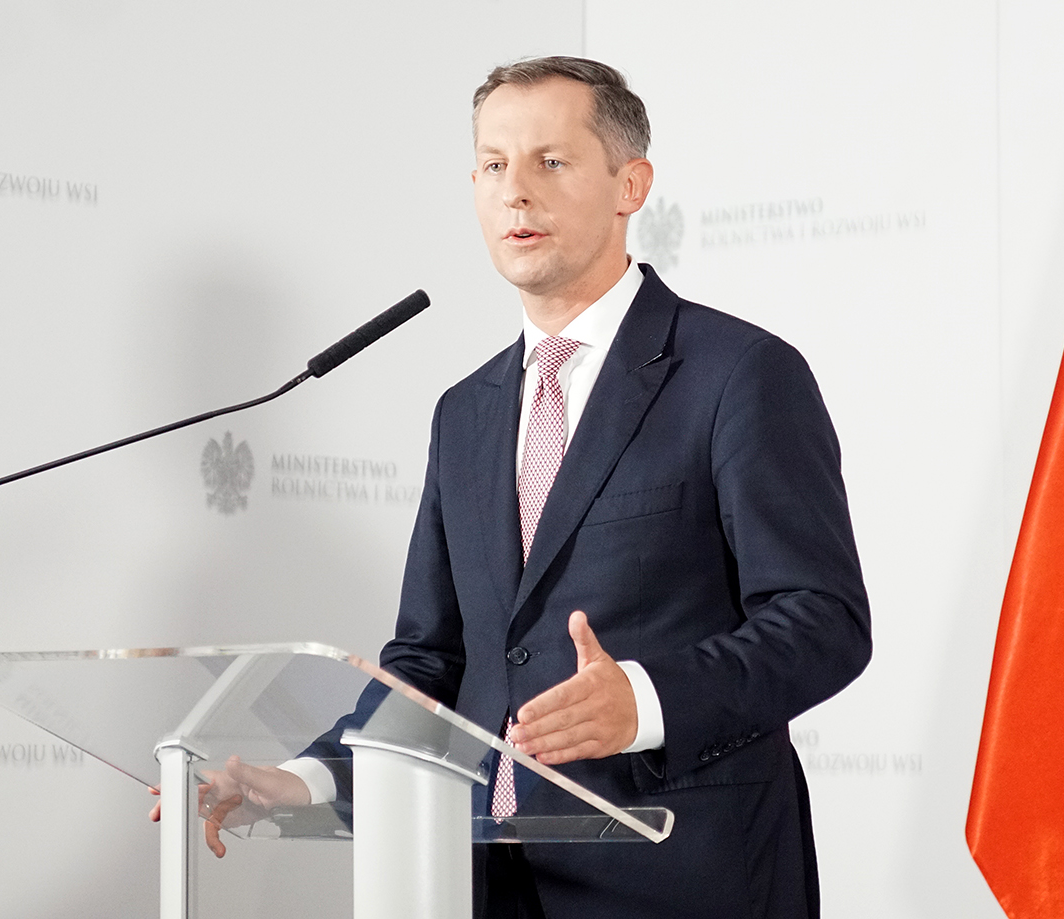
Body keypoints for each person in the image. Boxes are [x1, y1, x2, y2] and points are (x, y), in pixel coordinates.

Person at [169, 56, 871, 918]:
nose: (516, 192)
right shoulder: (465, 411)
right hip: (485, 880)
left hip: (685, 876)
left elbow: (822, 620)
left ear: (630, 185)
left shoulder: (738, 375)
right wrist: (314, 774)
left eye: (551, 161)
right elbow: (432, 658)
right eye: (494, 165)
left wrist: (645, 700)